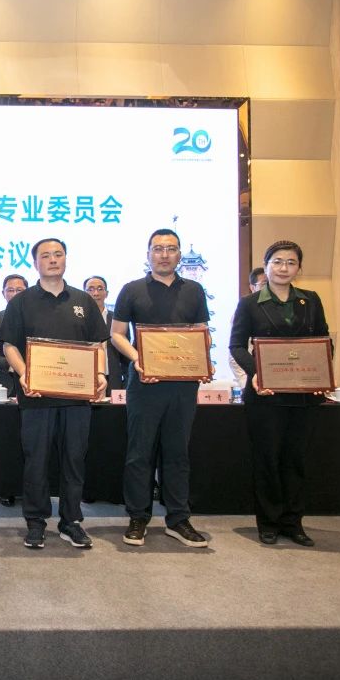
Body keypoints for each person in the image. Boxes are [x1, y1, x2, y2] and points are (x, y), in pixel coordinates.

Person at [0, 238, 107, 550]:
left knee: (74, 460)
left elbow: (97, 344)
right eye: (45, 256)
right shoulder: (21, 302)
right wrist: (25, 374)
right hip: (36, 397)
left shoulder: (84, 301)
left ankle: (71, 521)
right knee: (36, 460)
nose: (53, 260)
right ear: (36, 263)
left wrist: (100, 374)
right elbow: (9, 346)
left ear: (66, 259)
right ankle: (35, 521)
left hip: (76, 398)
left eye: (58, 254)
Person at [110, 228, 211, 548]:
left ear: (179, 254)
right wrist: (138, 359)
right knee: (139, 453)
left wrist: (201, 361)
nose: (164, 254)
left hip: (182, 384)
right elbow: (117, 334)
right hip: (145, 382)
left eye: (170, 248)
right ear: (148, 254)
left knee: (177, 453)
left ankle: (178, 518)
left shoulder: (194, 290)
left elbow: (201, 331)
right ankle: (138, 517)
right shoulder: (132, 290)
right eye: (158, 248)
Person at [229, 241, 328, 547]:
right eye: (277, 262)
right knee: (267, 459)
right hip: (265, 394)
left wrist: (321, 372)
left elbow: (323, 340)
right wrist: (256, 373)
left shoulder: (311, 300)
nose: (284, 268)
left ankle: (293, 522)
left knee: (296, 459)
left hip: (303, 395)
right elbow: (236, 346)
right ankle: (269, 522)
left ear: (299, 268)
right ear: (266, 264)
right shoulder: (250, 303)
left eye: (291, 262)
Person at [0, 273, 28, 507]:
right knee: (4, 440)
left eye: (19, 290)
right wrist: (13, 364)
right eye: (10, 290)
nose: (14, 294)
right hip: (4, 386)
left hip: (34, 386)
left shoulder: (37, 315)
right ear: (3, 293)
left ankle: (27, 487)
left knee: (30, 440)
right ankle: (4, 488)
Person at [83, 275, 124, 393]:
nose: (96, 293)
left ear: (107, 293)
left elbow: (124, 355)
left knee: (114, 405)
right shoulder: (79, 319)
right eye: (90, 289)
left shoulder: (117, 319)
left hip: (114, 377)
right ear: (84, 294)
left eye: (100, 289)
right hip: (86, 377)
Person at [229, 267, 269, 387]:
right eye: (264, 284)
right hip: (252, 376)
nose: (269, 287)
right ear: (252, 287)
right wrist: (247, 381)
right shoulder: (245, 310)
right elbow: (236, 350)